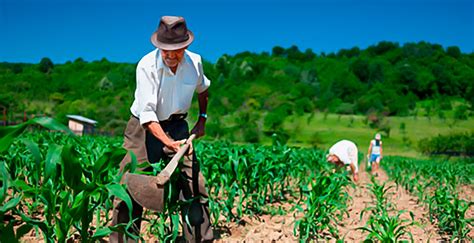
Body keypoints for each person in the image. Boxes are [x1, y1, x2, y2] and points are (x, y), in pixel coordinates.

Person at [110, 16, 213, 242]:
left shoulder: (195, 62)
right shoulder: (147, 66)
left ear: (185, 46)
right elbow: (147, 116)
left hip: (177, 126)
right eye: (164, 49)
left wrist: (202, 118)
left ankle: (199, 238)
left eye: (175, 50)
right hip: (142, 128)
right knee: (128, 183)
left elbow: (203, 89)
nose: (168, 55)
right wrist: (167, 143)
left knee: (194, 181)